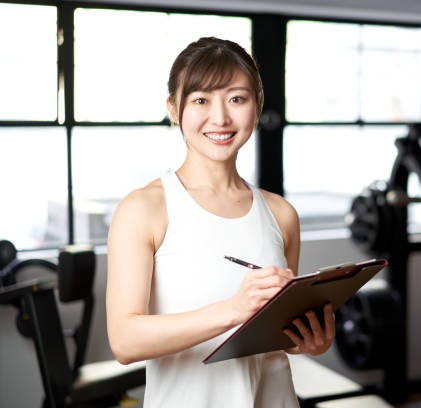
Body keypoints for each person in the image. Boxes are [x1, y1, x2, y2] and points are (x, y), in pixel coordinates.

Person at [106, 37, 335, 407]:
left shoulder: (281, 214)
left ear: (256, 107)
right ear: (173, 109)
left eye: (237, 99)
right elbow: (124, 340)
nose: (221, 118)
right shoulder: (144, 209)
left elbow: (279, 335)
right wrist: (233, 309)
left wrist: (310, 341)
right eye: (200, 100)